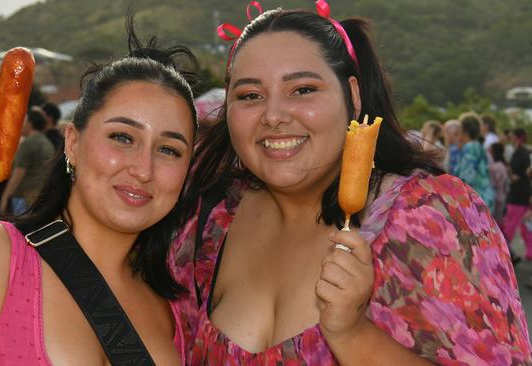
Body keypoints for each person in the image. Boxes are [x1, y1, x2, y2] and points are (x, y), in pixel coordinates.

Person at [168, 2, 532, 364]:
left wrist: (353, 335)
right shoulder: (210, 220)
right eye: (250, 95)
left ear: (353, 96)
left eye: (303, 89)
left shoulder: (430, 217)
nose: (274, 116)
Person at [0, 18, 198, 365]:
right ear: (73, 143)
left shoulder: (176, 301)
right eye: (122, 137)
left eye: (169, 149)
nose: (143, 169)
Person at [0, 107, 55, 215]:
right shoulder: (46, 142)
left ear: (30, 123)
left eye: (24, 121)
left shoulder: (28, 144)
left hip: (24, 197)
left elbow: (19, 173)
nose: (22, 125)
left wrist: (5, 197)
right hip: (40, 195)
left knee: (22, 230)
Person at [453, 112, 495, 213]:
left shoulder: (470, 147)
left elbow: (466, 177)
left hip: (474, 202)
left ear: (464, 130)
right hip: (485, 197)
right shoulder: (478, 146)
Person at [501, 128, 532, 260]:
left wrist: (508, 169)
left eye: (512, 136)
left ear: (517, 137)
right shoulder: (524, 152)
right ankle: (529, 252)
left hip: (519, 195)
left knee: (511, 225)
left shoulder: (520, 153)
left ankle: (503, 251)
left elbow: (515, 173)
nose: (511, 138)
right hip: (524, 193)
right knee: (525, 225)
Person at [488, 142, 509, 226]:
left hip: (496, 198)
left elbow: (493, 183)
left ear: (493, 152)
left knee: (494, 224)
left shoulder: (495, 167)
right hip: (501, 197)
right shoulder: (502, 165)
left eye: (489, 150)